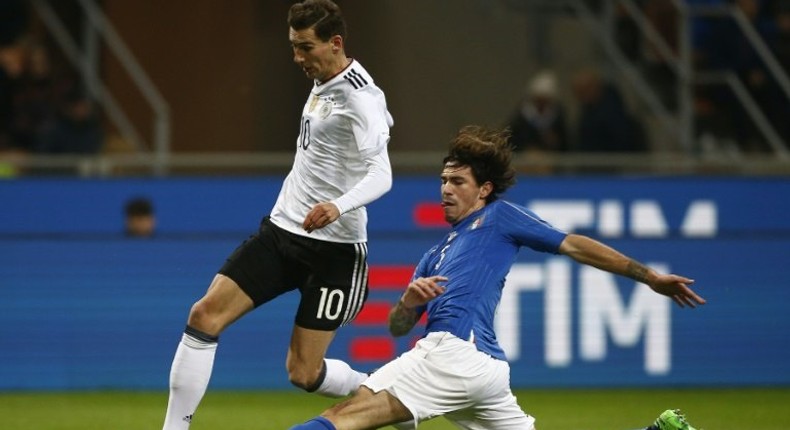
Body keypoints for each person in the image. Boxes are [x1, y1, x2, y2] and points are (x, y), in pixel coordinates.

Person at [290, 125, 704, 430]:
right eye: (443, 181)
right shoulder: (433, 255)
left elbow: (574, 245)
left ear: (484, 189)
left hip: (453, 354)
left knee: (341, 419)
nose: (445, 190)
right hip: (484, 371)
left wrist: (649, 277)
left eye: (457, 181)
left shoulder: (498, 217)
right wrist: (407, 304)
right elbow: (397, 328)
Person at [162, 0, 394, 428]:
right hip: (282, 232)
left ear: (335, 43)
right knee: (204, 315)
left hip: (335, 253)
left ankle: (390, 398)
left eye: (305, 47)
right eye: (293, 46)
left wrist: (338, 205)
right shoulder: (325, 80)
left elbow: (383, 174)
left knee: (303, 373)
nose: (297, 58)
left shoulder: (362, 98)